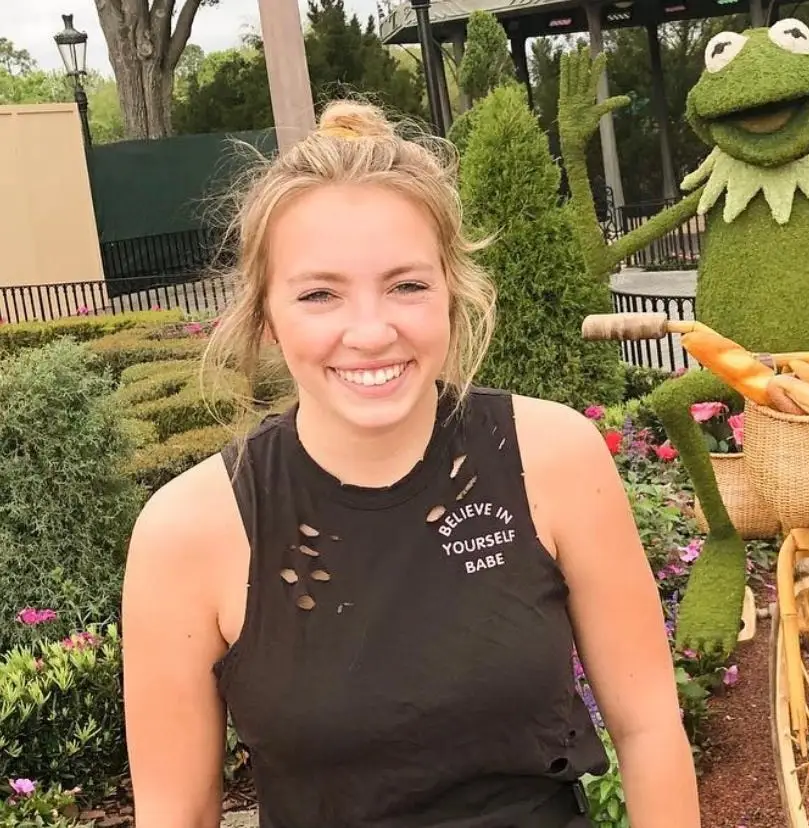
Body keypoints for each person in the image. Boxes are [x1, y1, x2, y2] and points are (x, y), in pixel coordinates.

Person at [121, 99, 700, 828]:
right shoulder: (188, 531)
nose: (371, 331)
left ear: (452, 295)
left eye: (407, 285)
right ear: (268, 316)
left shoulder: (553, 459)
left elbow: (648, 726)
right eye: (320, 294)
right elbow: (177, 814)